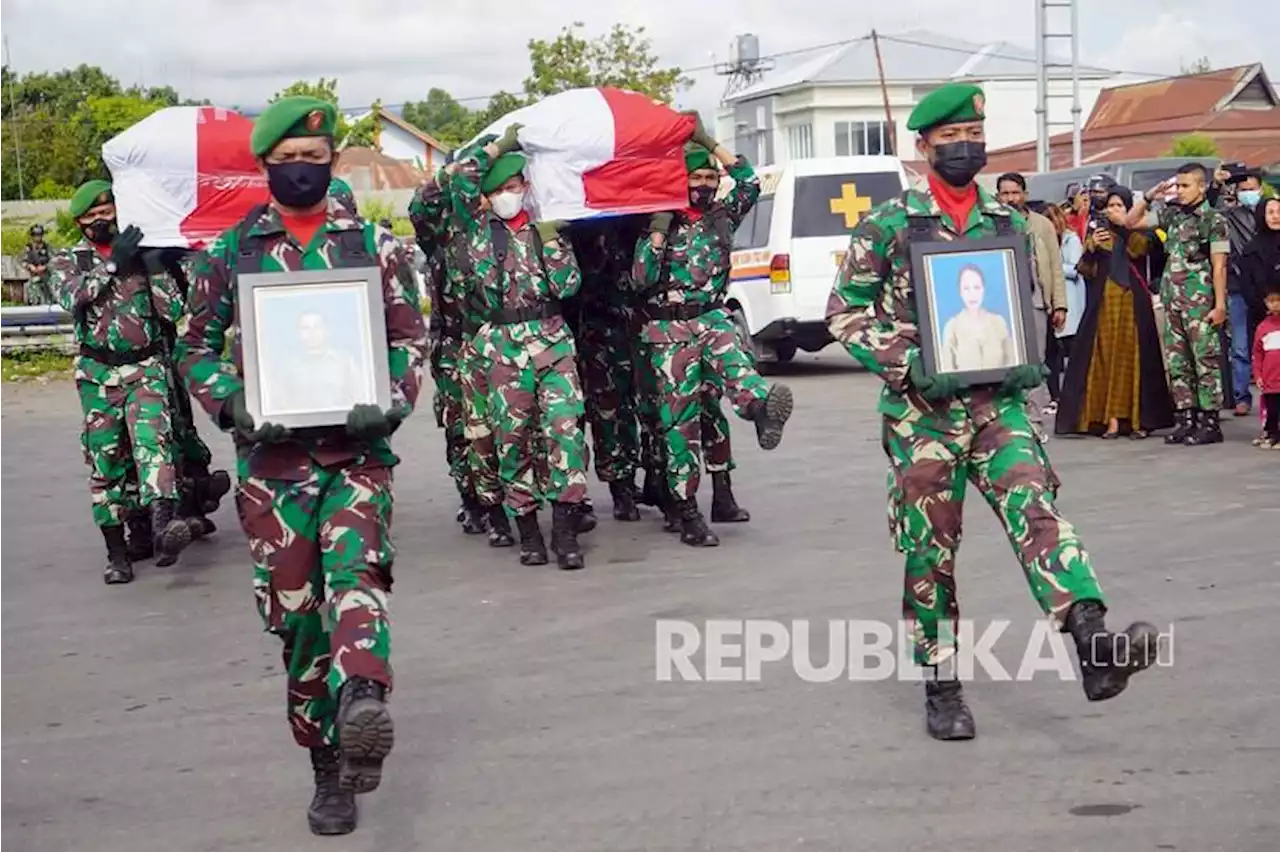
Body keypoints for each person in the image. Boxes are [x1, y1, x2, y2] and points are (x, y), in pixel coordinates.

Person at [825, 82, 1159, 742]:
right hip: (922, 416)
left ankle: (1093, 644)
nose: (964, 149)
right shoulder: (890, 225)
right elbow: (845, 313)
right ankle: (941, 684)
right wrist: (905, 357)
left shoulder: (1005, 224)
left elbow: (1014, 305)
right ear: (923, 148)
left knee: (1037, 509)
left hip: (997, 405)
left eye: (972, 138)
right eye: (949, 141)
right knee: (931, 550)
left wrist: (1027, 354)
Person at [174, 96, 428, 837]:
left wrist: (391, 400)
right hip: (271, 466)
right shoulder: (230, 254)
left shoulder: (376, 248)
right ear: (266, 168)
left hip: (356, 456)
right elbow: (194, 346)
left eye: (313, 161)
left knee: (356, 578)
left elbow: (411, 334)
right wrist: (231, 405)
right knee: (297, 621)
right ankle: (326, 763)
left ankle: (362, 704)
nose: (301, 173)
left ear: (332, 165)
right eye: (287, 162)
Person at [631, 123, 794, 548]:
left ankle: (759, 407)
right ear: (679, 181)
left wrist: (706, 142)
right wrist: (657, 232)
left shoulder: (722, 215)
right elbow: (640, 278)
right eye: (695, 178)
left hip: (711, 316)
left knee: (737, 366)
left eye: (709, 179)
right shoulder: (656, 223)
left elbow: (749, 181)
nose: (703, 186)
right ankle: (687, 511)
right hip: (669, 329)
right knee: (680, 423)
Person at [437, 126, 591, 570]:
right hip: (501, 349)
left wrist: (552, 242)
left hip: (552, 342)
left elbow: (569, 285)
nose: (508, 195)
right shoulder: (473, 231)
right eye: (499, 189)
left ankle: (564, 533)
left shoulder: (545, 229)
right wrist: (497, 148)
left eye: (514, 186)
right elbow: (458, 177)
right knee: (512, 442)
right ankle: (527, 532)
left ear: (526, 186)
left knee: (565, 432)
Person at [46, 180, 194, 584]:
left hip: (145, 368)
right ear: (79, 222)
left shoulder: (141, 254)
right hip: (98, 375)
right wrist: (112, 266)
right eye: (90, 217)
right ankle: (119, 552)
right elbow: (70, 296)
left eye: (106, 211)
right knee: (107, 461)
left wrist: (158, 265)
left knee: (154, 445)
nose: (100, 220)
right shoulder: (69, 260)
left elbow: (173, 310)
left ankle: (165, 529)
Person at [1055, 186, 1174, 439]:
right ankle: (1109, 420)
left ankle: (1137, 420)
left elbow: (1140, 251)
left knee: (1132, 359)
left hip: (1133, 304)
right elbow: (1085, 270)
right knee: (1105, 358)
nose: (1113, 211)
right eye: (1110, 206)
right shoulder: (1099, 233)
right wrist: (1091, 248)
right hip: (1104, 305)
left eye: (1119, 206)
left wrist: (1125, 226)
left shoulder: (1143, 231)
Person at [1124, 164, 1230, 445]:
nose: (1179, 191)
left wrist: (1220, 305)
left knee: (1204, 361)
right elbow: (1130, 222)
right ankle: (1186, 418)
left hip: (1200, 301)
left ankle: (1210, 421)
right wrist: (1149, 196)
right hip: (1173, 300)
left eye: (1185, 186)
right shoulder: (1171, 214)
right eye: (1178, 186)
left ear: (1201, 186)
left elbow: (1219, 267)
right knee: (1178, 361)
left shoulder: (1212, 219)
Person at [996, 172, 1069, 423]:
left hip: (1036, 298)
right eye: (1005, 193)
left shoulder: (1041, 224)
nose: (1010, 198)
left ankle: (1034, 420)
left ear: (1025, 194)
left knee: (1035, 361)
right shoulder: (990, 224)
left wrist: (1060, 304)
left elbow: (1056, 266)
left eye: (1015, 192)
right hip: (1001, 302)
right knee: (1004, 359)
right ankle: (1007, 418)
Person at [1216, 163, 1263, 416]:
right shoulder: (1230, 213)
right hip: (1238, 286)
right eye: (1242, 189)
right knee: (1241, 347)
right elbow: (1213, 208)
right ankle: (1241, 397)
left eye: (1251, 189)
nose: (1247, 193)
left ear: (1261, 189)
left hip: (1269, 287)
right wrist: (1218, 184)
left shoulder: (1271, 212)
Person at [270, 309, 369, 413]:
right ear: (298, 333)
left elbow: (359, 397)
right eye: (305, 328)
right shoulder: (286, 365)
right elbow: (278, 402)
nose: (312, 333)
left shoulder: (345, 362)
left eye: (317, 327)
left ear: (327, 330)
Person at [1239, 197, 1280, 443]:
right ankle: (1270, 425)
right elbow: (1247, 284)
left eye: (1279, 211)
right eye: (1270, 212)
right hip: (1264, 318)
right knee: (1271, 376)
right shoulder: (1252, 249)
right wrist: (1265, 307)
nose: (1275, 216)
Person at [1042, 202, 1084, 408]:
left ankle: (1075, 395)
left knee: (1073, 352)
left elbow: (1077, 268)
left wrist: (1051, 263)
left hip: (1071, 302)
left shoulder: (1071, 240)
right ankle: (1054, 396)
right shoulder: (1040, 241)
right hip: (1048, 302)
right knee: (1052, 355)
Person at [940, 263, 1015, 371]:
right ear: (960, 292)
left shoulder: (998, 323)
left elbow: (1013, 365)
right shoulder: (952, 327)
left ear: (983, 289)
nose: (972, 294)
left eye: (976, 287)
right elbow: (947, 372)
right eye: (966, 288)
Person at [1251, 281, 1280, 447]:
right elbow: (1258, 354)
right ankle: (1271, 433)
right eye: (1271, 301)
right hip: (1270, 379)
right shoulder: (1263, 327)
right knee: (1271, 409)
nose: (1275, 305)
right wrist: (1258, 375)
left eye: (1278, 300)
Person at [22, 224, 54, 305]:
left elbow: (54, 261)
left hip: (47, 277)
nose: (37, 237)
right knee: (31, 289)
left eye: (39, 235)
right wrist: (30, 266)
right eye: (35, 235)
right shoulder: (28, 248)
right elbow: (23, 261)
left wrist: (45, 267)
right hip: (34, 276)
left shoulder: (47, 247)